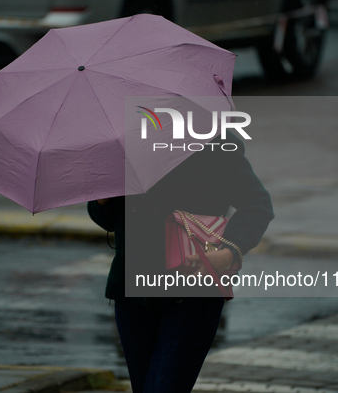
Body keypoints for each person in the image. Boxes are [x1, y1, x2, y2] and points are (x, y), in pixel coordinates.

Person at [88, 131, 274, 393]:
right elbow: (107, 220)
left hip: (192, 293)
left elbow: (258, 204)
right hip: (132, 297)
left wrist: (230, 252)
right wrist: (101, 199)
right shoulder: (122, 143)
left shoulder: (215, 142)